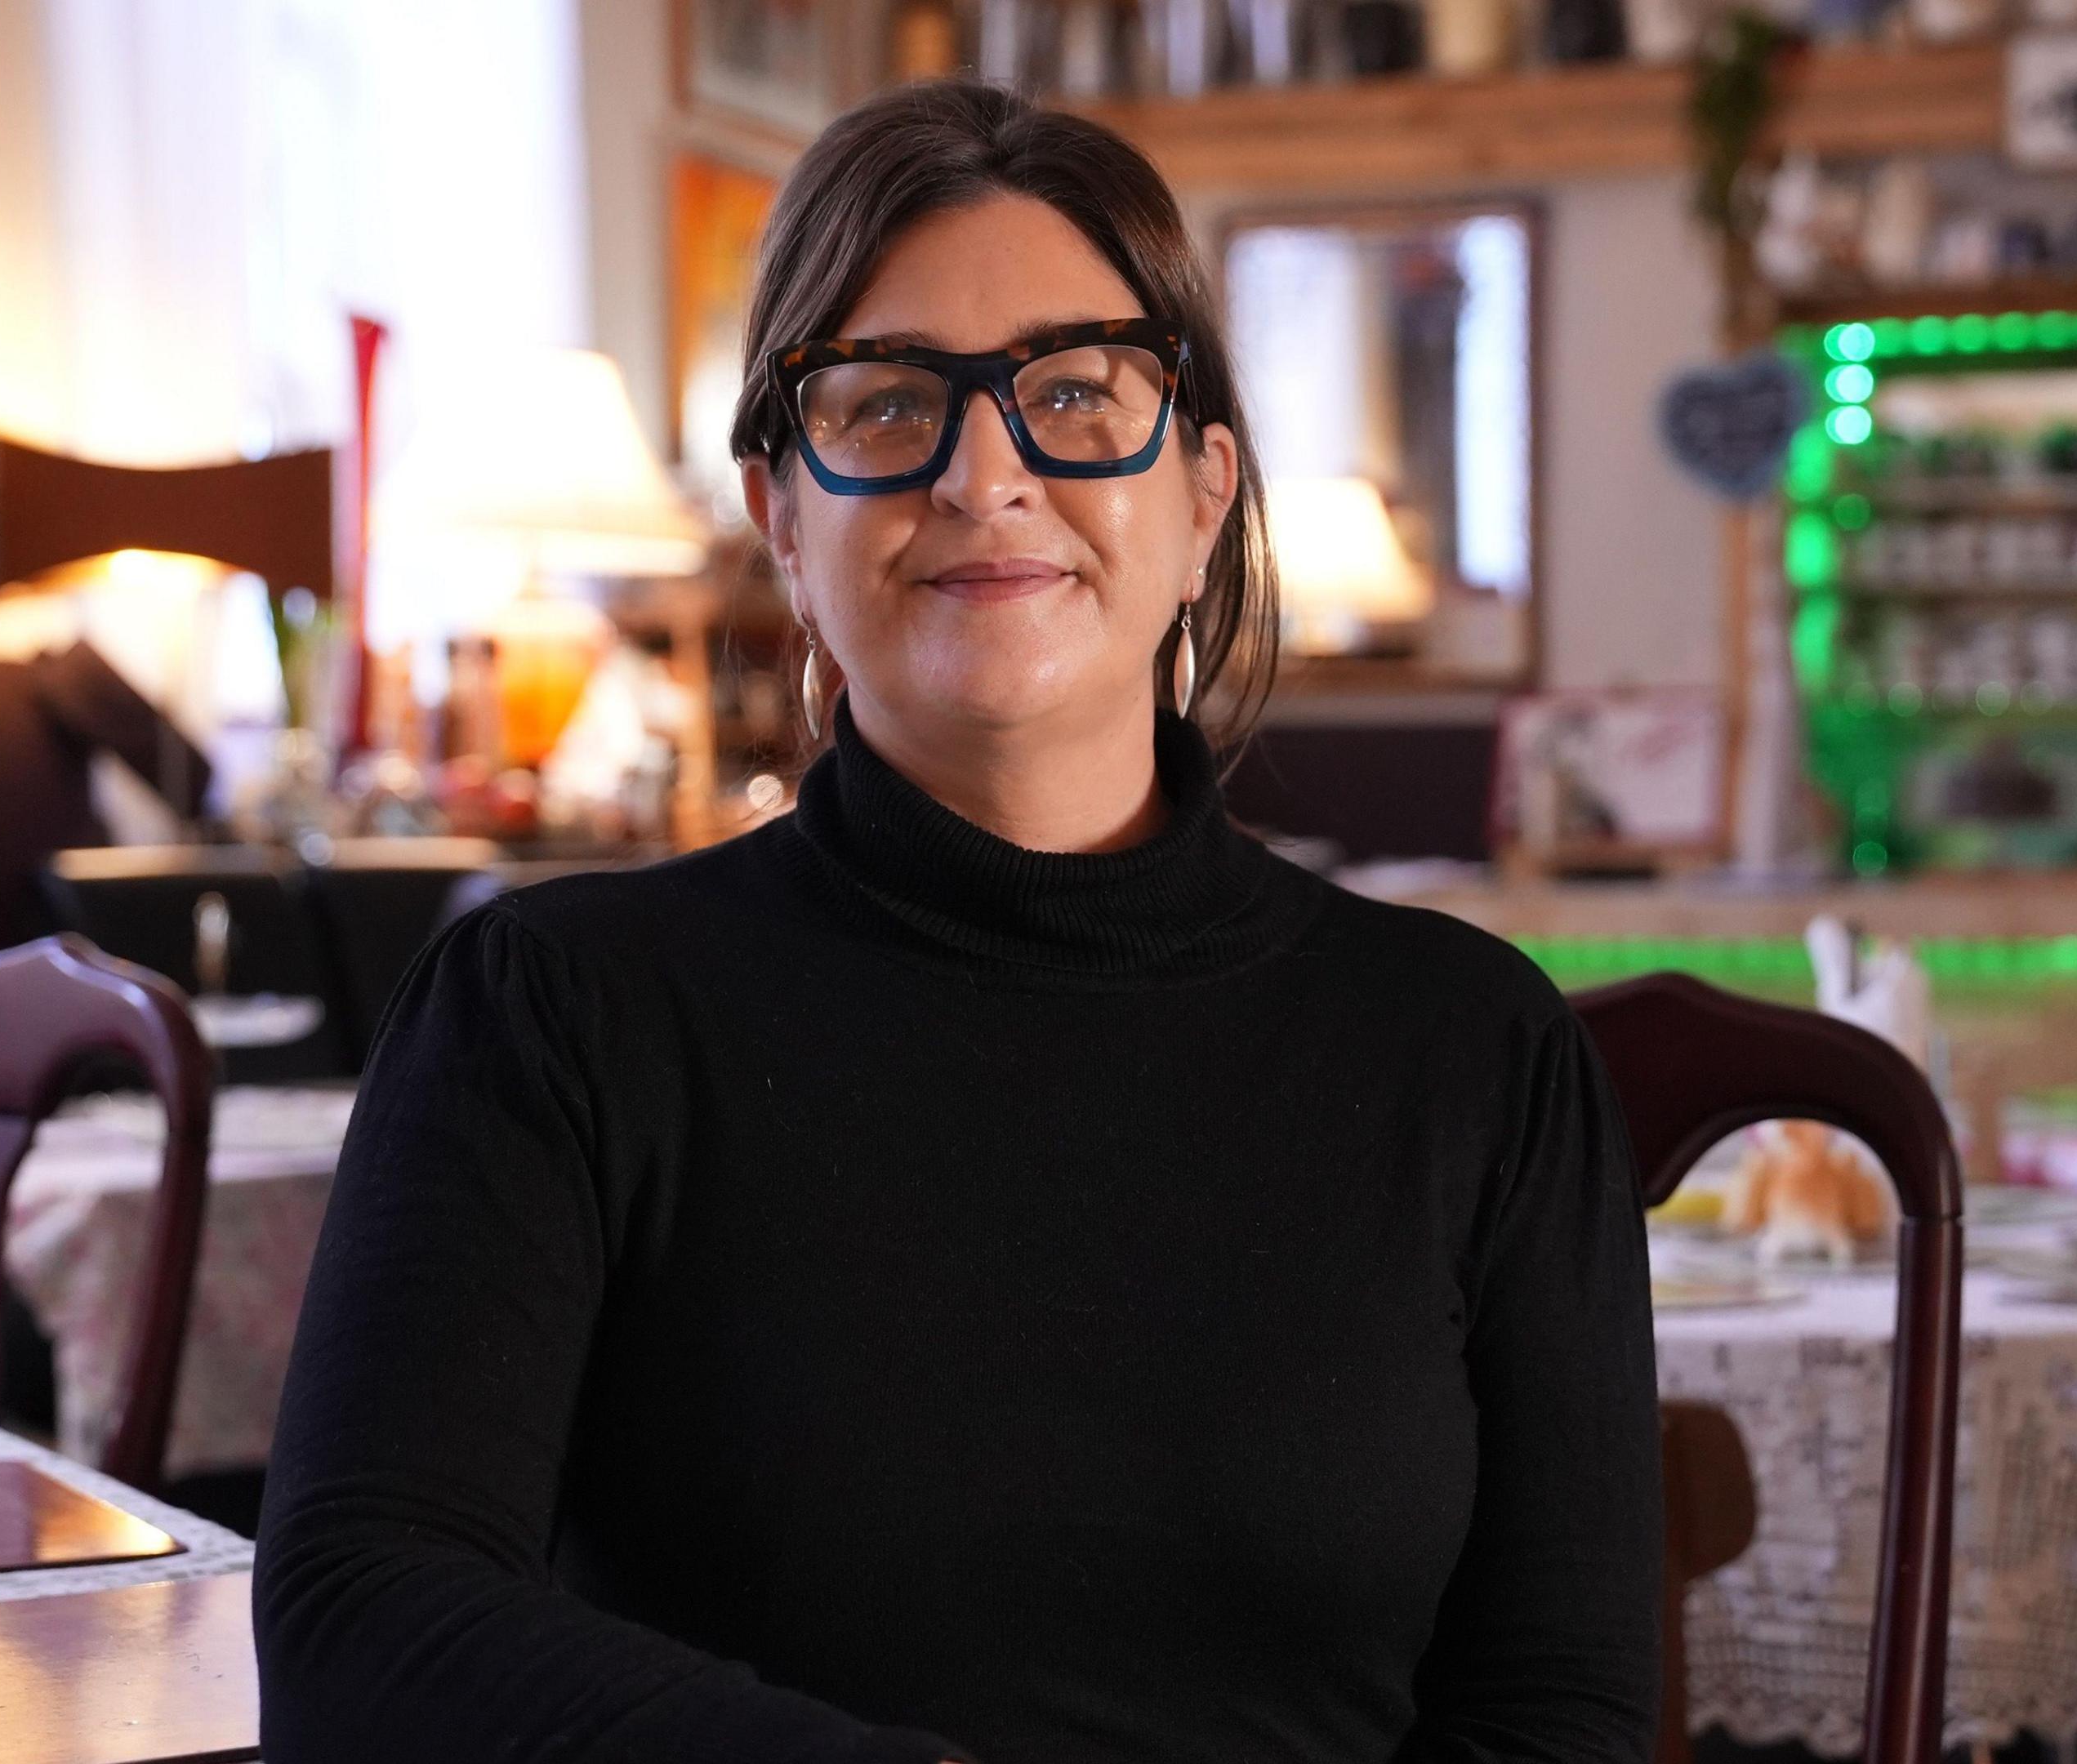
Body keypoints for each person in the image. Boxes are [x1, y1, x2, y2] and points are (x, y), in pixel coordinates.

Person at [255, 78, 1660, 1764]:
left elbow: (1559, 1708)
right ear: (782, 513)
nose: (987, 474)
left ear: (1204, 493)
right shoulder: (554, 1014)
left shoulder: (1476, 1049)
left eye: (1075, 392)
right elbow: (363, 1617)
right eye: (887, 402)